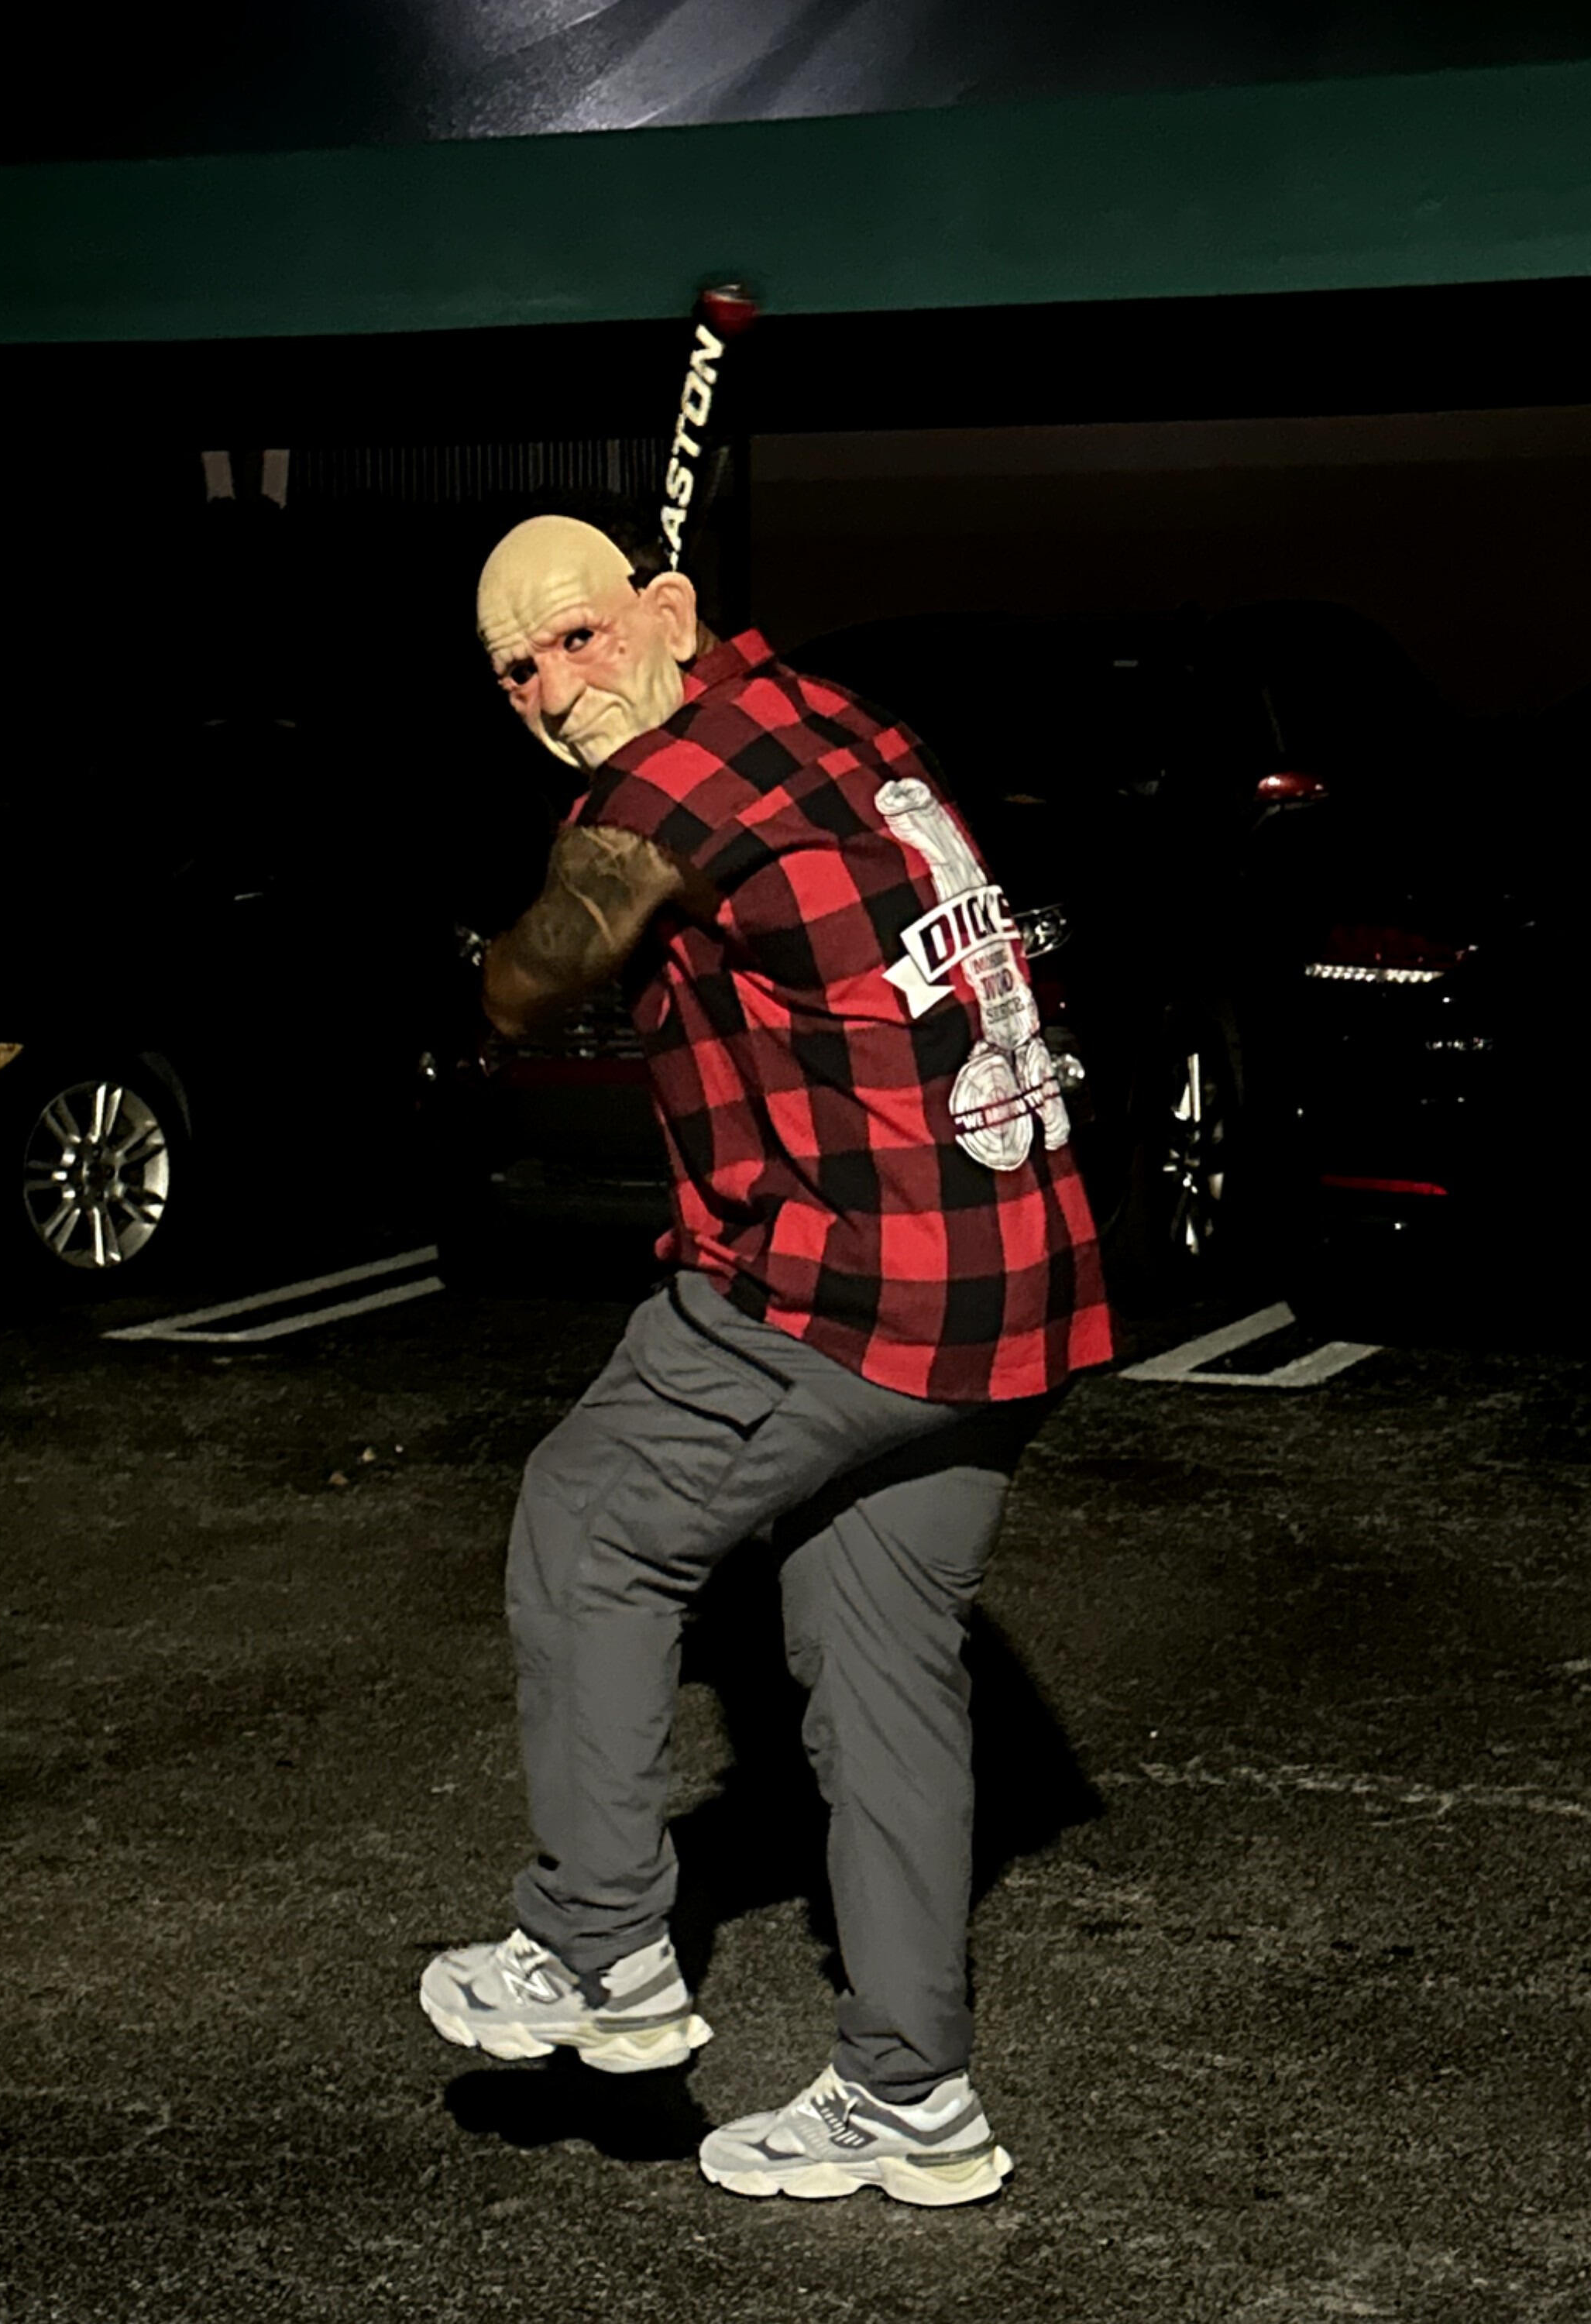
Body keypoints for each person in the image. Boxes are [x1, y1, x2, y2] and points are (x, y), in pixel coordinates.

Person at [420, 507, 1112, 2207]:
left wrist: (486, 969)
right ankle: (912, 2099)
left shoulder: (669, 787)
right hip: (1014, 1281)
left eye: (579, 637)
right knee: (877, 1666)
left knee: (590, 1526)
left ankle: (598, 1951)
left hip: (853, 1279)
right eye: (514, 669)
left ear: (669, 610)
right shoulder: (833, 718)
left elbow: (533, 982)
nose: (552, 687)